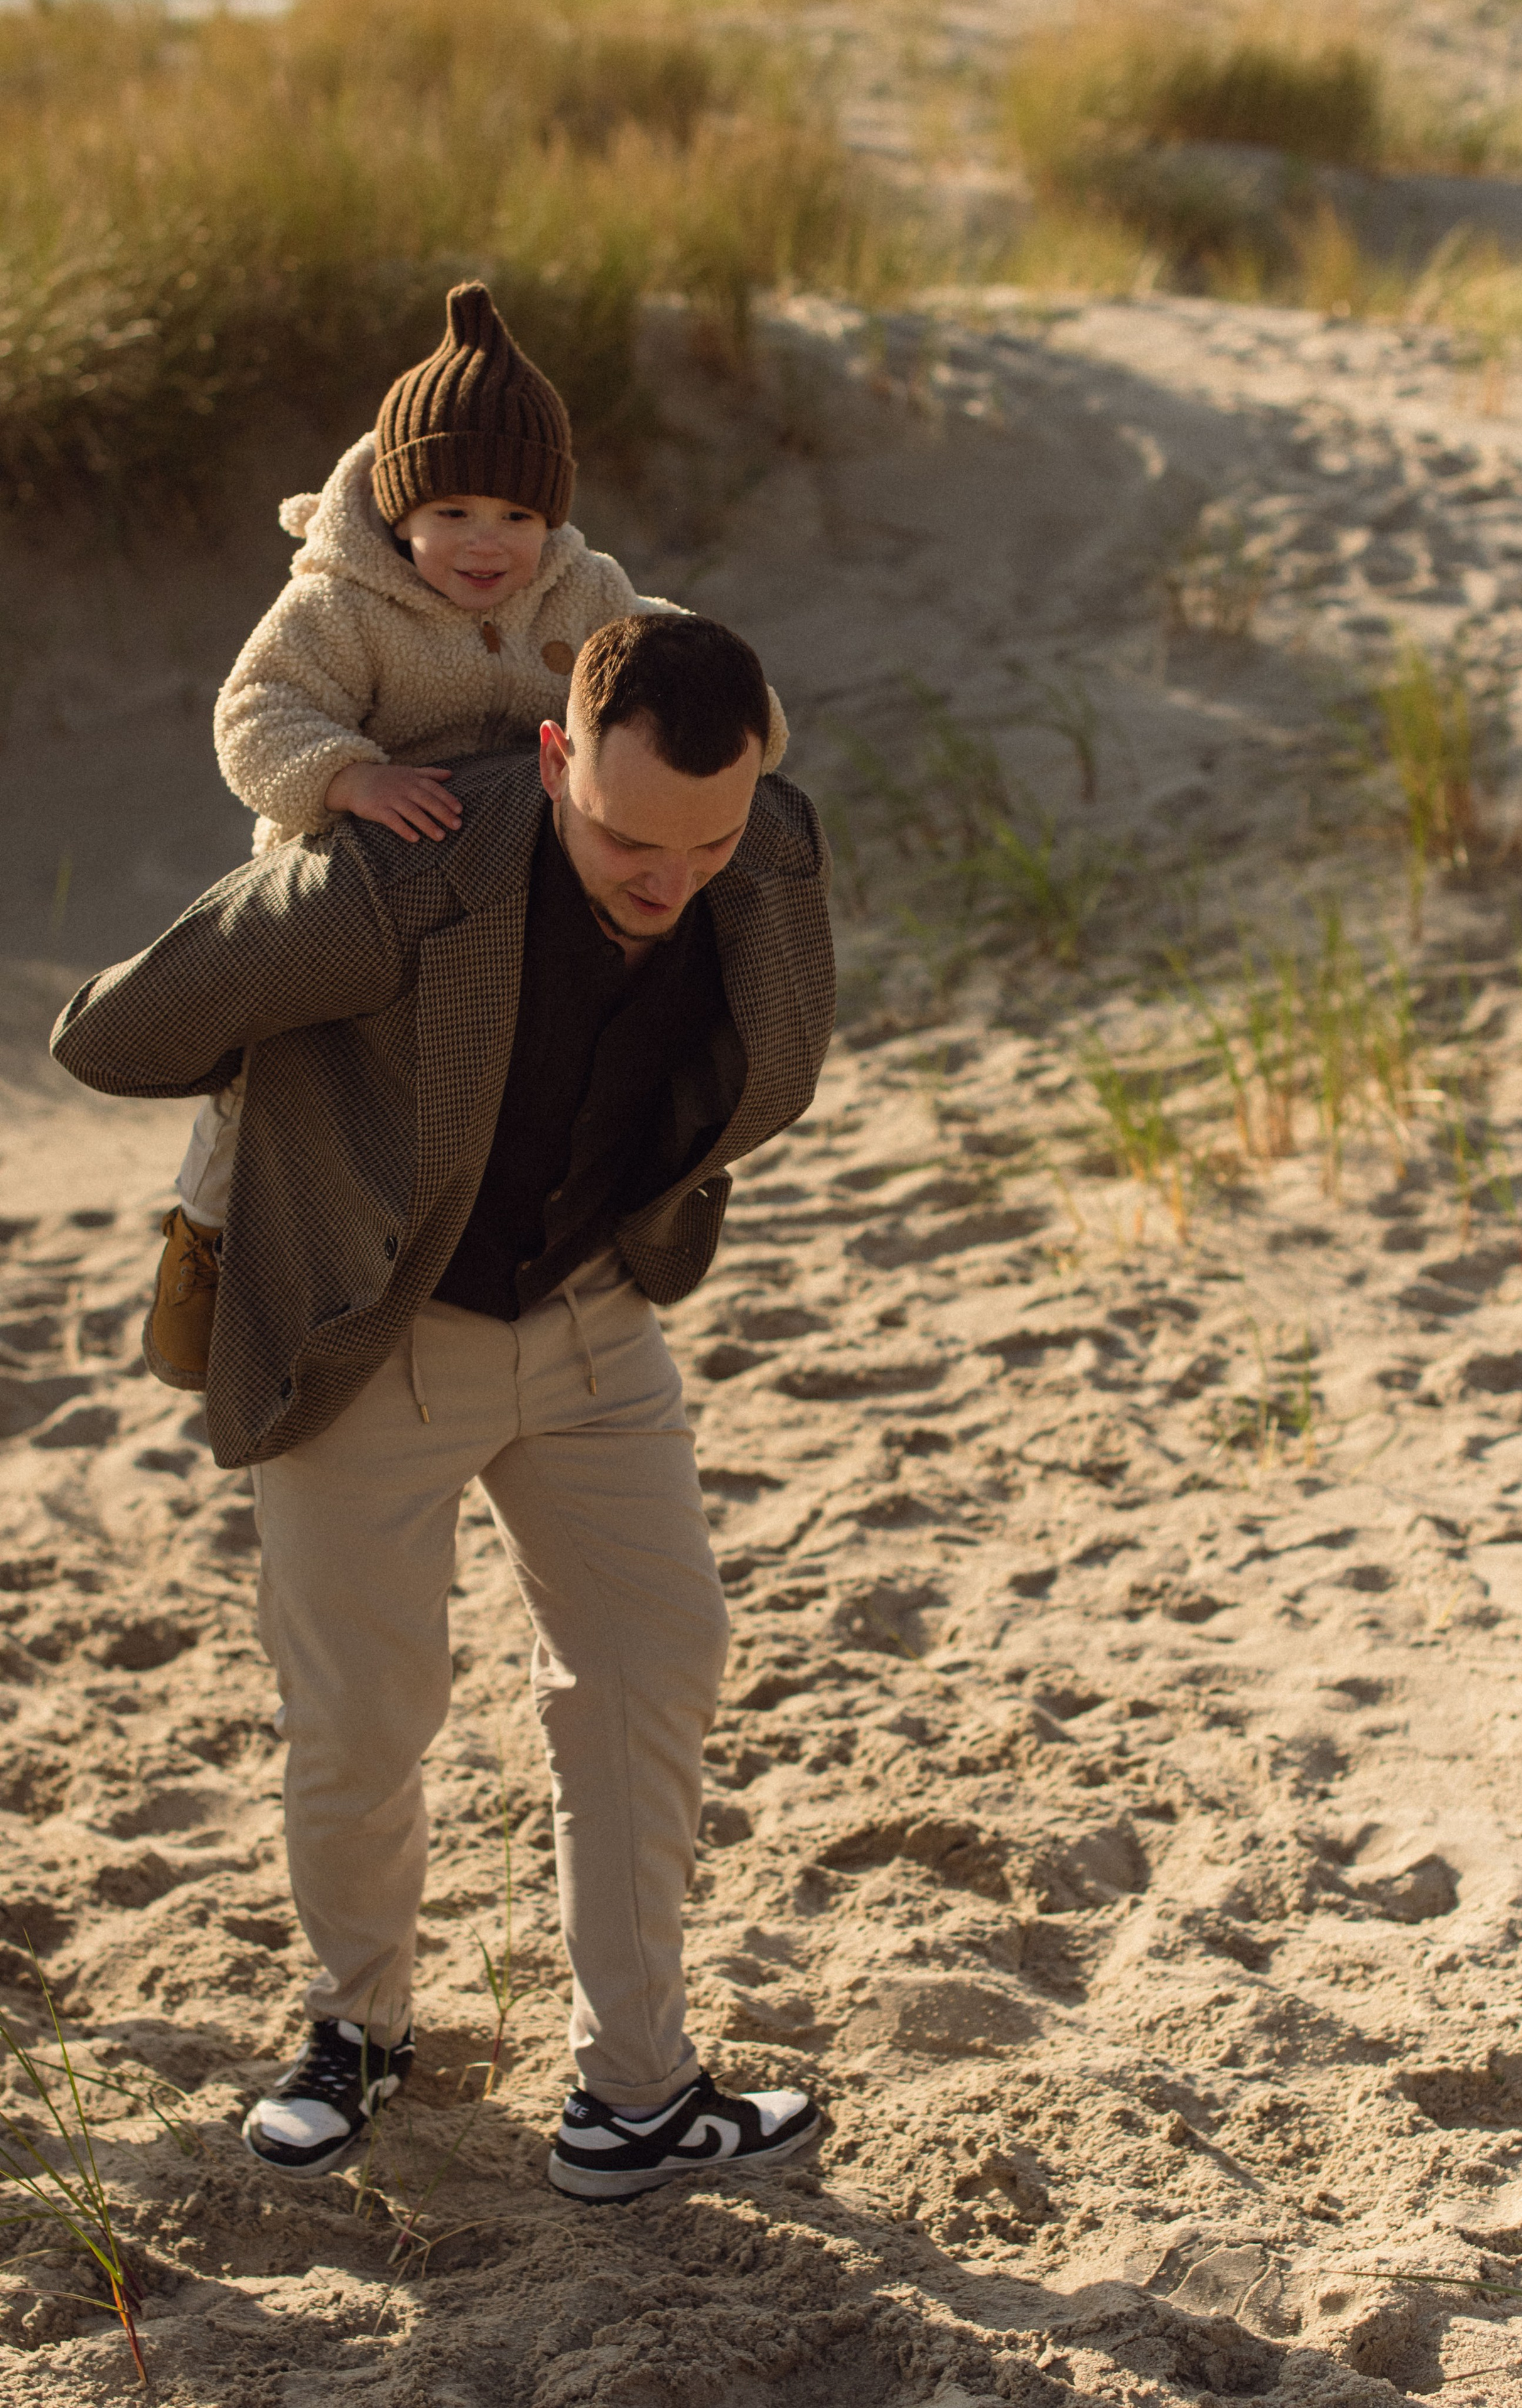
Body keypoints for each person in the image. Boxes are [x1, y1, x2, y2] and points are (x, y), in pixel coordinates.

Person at [51, 610, 834, 2200]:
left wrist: (703, 862)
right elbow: (118, 1032)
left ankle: (634, 2095)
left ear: (758, 774)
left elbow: (750, 1053)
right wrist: (305, 1018)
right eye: (627, 837)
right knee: (363, 1715)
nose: (668, 877)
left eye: (706, 839)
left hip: (595, 1319)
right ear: (551, 760)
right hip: (372, 1338)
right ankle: (354, 2033)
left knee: (653, 1670)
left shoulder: (763, 851)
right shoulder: (398, 882)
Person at [144, 278, 787, 1395]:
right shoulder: (340, 602)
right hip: (355, 872)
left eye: (518, 518)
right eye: (454, 514)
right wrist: (350, 777)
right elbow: (255, 713)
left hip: (503, 887)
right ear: (401, 512)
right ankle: (204, 1233)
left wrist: (741, 709)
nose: (488, 544)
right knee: (271, 1071)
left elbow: (654, 643)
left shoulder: (577, 587)